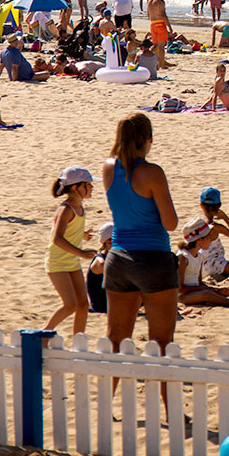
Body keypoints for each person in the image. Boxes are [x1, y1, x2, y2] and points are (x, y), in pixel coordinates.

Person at [102, 114, 179, 357]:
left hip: (118, 257)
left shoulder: (108, 168)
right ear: (149, 139)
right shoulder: (152, 172)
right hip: (152, 258)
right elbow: (171, 223)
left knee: (115, 341)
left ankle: (108, 394)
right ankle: (165, 396)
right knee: (162, 344)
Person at [44, 166, 99, 334]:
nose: (92, 188)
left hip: (71, 261)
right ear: (76, 187)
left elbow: (68, 230)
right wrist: (82, 253)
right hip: (58, 262)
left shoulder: (79, 208)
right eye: (88, 184)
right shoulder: (65, 209)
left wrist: (82, 235)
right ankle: (43, 335)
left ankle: (78, 342)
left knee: (83, 305)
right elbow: (57, 238)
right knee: (70, 305)